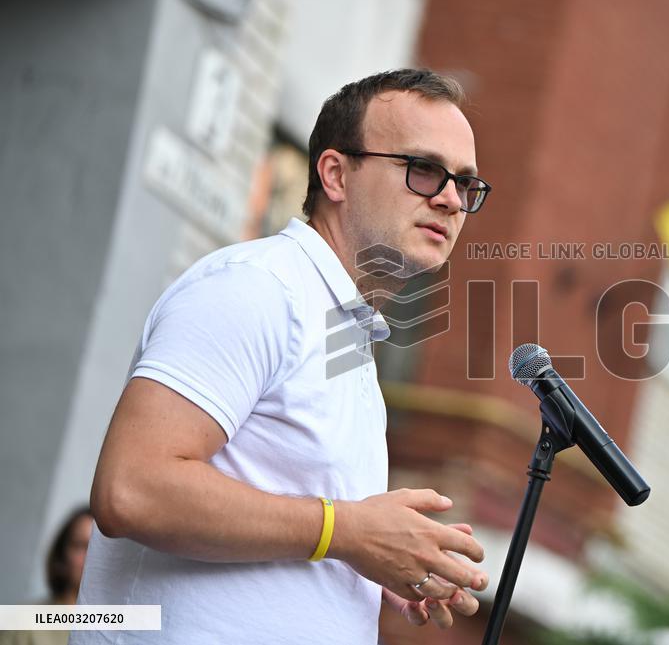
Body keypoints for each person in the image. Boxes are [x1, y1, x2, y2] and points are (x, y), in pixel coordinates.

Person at [72, 69, 492, 644]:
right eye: (423, 170)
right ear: (336, 174)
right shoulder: (258, 288)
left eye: (466, 185)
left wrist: (363, 564)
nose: (449, 199)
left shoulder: (348, 338)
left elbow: (299, 526)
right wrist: (348, 535)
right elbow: (132, 489)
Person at [0, 508, 94, 645]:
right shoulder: (23, 621)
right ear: (61, 556)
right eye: (80, 545)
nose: (91, 557)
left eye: (99, 549)